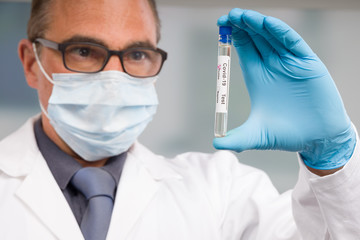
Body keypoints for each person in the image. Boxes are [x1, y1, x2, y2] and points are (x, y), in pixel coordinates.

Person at [0, 0, 359, 239]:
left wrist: (330, 159)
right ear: (32, 63)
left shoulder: (220, 190)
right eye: (83, 51)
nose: (114, 78)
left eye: (137, 54)